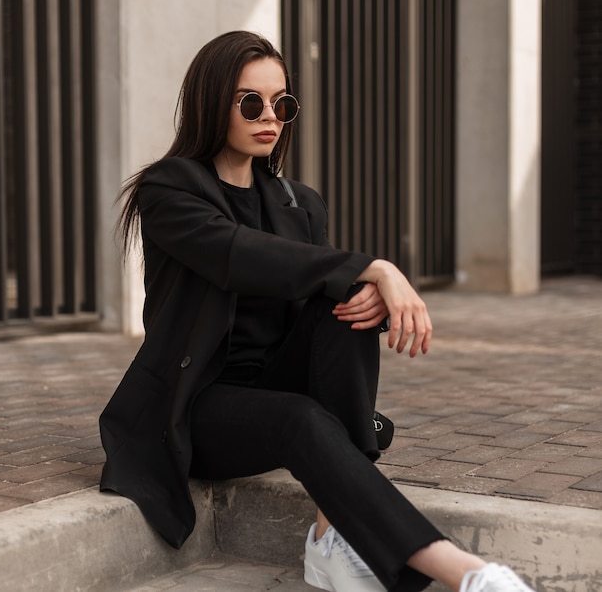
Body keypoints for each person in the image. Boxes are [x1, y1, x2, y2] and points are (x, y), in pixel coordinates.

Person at [99, 30, 538, 592]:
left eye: (282, 103)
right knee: (307, 408)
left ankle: (331, 537)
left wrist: (367, 282)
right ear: (212, 103)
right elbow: (241, 257)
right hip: (195, 408)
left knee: (348, 301)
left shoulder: (298, 202)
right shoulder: (170, 189)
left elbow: (317, 288)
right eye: (250, 102)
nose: (271, 117)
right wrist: (376, 266)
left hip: (277, 386)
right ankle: (469, 575)